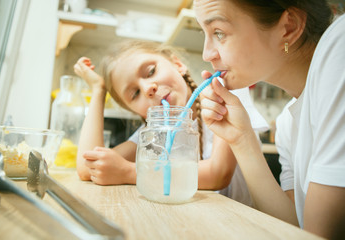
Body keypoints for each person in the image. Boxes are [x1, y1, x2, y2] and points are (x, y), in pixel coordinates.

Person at [194, 0, 345, 238]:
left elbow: (320, 236)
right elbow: (294, 229)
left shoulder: (340, 43)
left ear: (289, 28)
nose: (207, 54)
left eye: (219, 33)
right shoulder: (287, 124)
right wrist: (241, 140)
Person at [73, 39, 269, 206]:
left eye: (150, 71)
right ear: (134, 111)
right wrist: (98, 91)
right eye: (135, 94)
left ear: (177, 64)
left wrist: (128, 172)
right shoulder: (154, 131)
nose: (148, 88)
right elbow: (86, 166)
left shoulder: (223, 94)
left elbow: (218, 174)